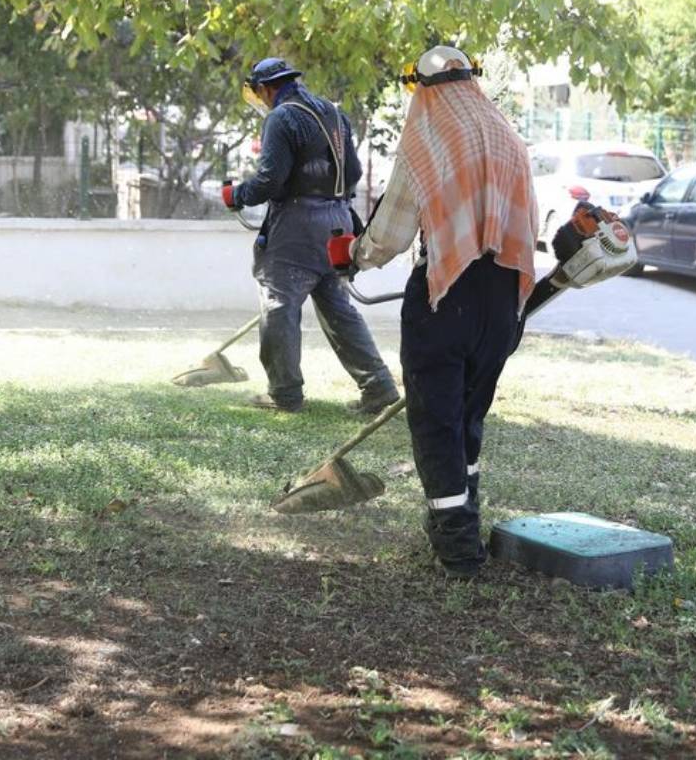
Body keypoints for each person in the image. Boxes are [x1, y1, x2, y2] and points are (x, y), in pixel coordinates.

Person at [327, 46, 538, 578]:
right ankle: (461, 513)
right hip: (503, 298)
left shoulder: (429, 140)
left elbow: (392, 231)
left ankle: (458, 546)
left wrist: (353, 255)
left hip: (446, 296)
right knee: (468, 413)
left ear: (423, 88)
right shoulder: (509, 138)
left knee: (436, 419)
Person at [223, 57, 399, 415]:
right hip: (337, 222)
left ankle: (284, 394)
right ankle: (378, 387)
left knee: (278, 304)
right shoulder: (334, 114)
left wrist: (238, 195)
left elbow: (270, 181)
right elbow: (352, 172)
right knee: (338, 308)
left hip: (296, 228)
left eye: (259, 92)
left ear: (266, 88)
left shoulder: (281, 117)